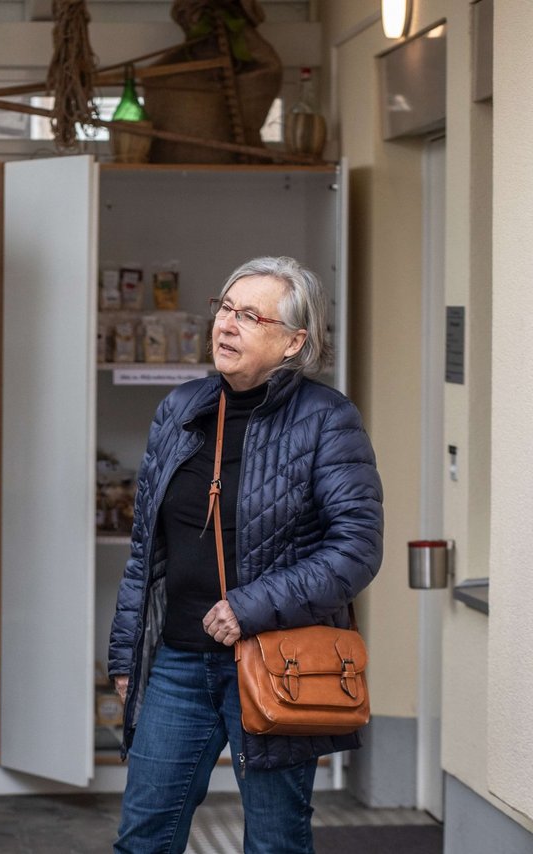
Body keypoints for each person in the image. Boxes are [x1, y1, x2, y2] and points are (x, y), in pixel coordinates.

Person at [109, 256, 383, 854]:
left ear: (293, 342)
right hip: (177, 662)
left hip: (275, 663)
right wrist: (127, 655)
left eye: (251, 316)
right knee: (142, 839)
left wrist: (250, 608)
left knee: (275, 842)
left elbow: (357, 548)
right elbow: (144, 553)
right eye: (226, 309)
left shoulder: (327, 421)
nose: (227, 326)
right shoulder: (179, 410)